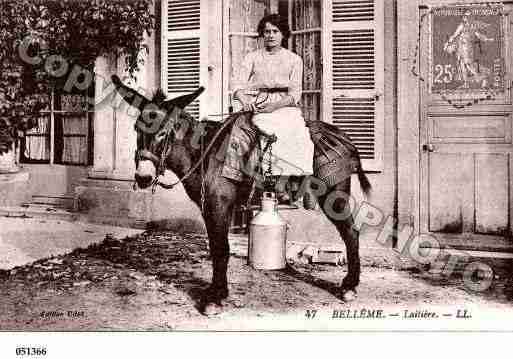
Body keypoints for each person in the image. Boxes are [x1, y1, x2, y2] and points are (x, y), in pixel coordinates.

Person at [221, 13, 314, 184]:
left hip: (283, 104)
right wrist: (244, 100)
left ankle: (289, 181)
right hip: (258, 101)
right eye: (267, 31)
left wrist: (274, 106)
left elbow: (294, 94)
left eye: (275, 31)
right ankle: (242, 178)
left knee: (294, 131)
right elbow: (237, 84)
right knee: (238, 130)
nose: (270, 35)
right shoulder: (252, 57)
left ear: (283, 34)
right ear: (262, 34)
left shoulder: (294, 59)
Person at [443, 9, 494, 89]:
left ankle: (484, 78)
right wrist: (448, 43)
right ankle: (466, 83)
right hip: (460, 47)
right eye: (466, 16)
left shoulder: (473, 26)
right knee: (462, 65)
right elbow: (454, 35)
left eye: (470, 16)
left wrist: (487, 39)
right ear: (464, 18)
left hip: (468, 48)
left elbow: (478, 35)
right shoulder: (461, 26)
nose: (468, 17)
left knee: (469, 65)